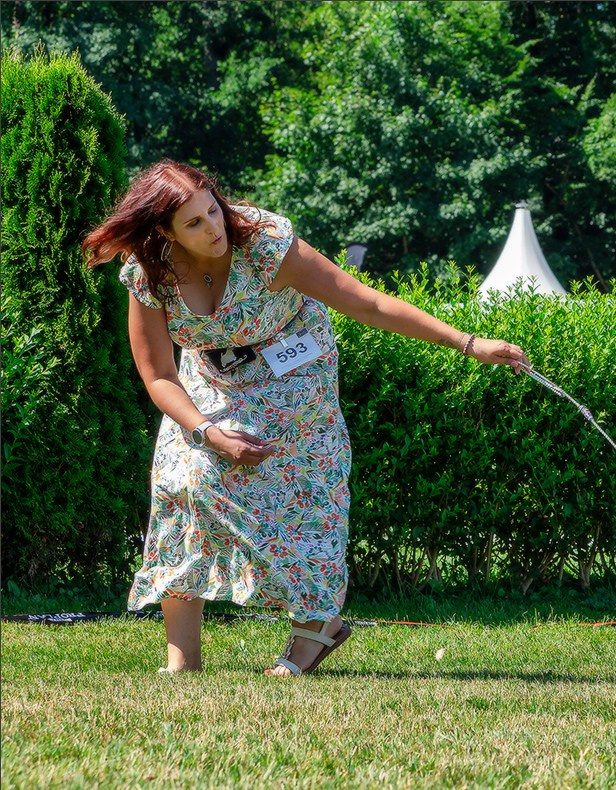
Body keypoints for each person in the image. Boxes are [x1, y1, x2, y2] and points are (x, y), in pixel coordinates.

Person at [82, 160, 529, 676]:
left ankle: (316, 628)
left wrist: (469, 343)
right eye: (194, 224)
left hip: (292, 368)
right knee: (184, 482)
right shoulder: (149, 272)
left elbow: (368, 303)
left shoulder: (267, 245)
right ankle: (183, 659)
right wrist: (205, 430)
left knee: (301, 496)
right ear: (164, 231)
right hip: (208, 377)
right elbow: (159, 374)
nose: (214, 229)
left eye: (213, 211)